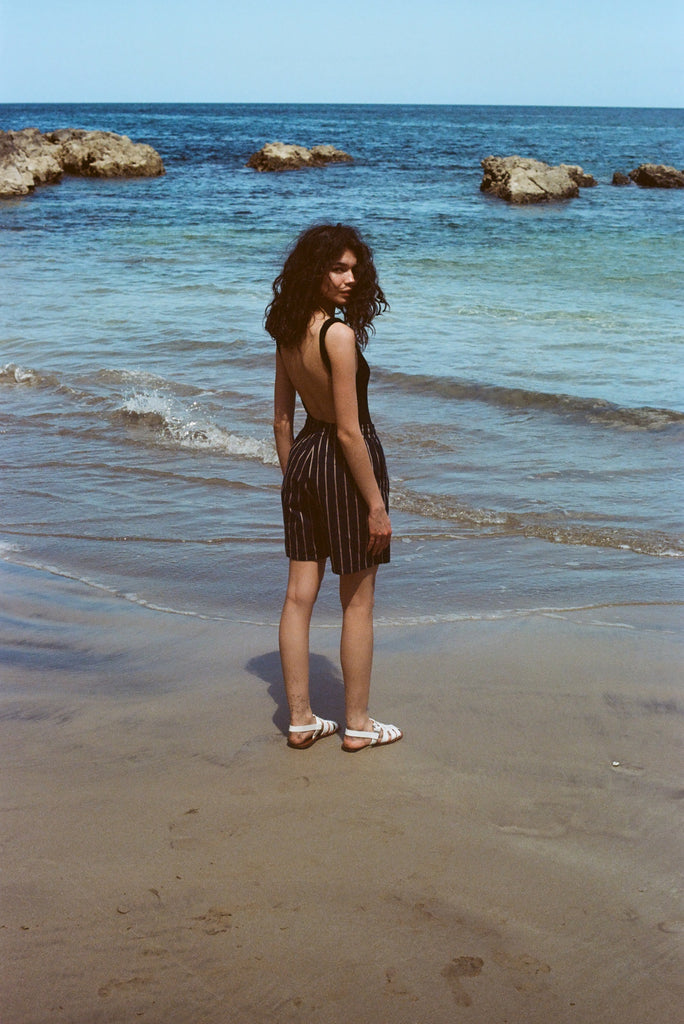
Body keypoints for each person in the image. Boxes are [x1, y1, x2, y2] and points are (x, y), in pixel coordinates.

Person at [265, 224, 403, 753]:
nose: (349, 279)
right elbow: (348, 430)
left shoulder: (286, 326)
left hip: (302, 459)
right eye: (338, 268)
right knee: (358, 602)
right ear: (314, 271)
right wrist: (375, 506)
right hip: (345, 463)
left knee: (299, 597)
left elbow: (281, 419)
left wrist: (295, 479)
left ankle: (301, 719)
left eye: (354, 269)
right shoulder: (337, 335)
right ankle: (359, 725)